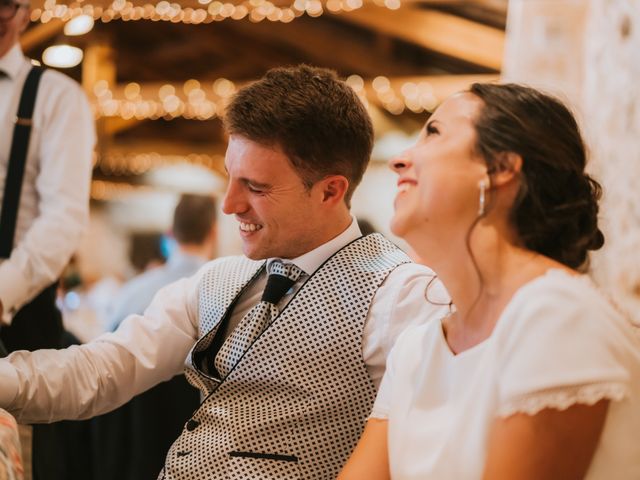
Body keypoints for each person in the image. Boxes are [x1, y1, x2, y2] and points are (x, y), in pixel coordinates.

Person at [0, 65, 447, 479]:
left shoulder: (398, 294)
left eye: (255, 187)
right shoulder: (216, 280)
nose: (230, 205)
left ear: (331, 190)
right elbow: (102, 370)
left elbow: (430, 448)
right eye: (230, 177)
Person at [338, 83, 640, 479]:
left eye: (433, 132)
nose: (399, 161)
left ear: (499, 169)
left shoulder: (557, 315)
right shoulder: (417, 348)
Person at [92, 193, 216, 480]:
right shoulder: (229, 298)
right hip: (200, 456)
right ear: (213, 232)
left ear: (169, 234)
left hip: (133, 449)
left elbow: (105, 361)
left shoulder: (130, 293)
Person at [0, 0, 95, 351]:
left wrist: (2, 292)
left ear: (25, 13)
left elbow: (64, 217)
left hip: (17, 321)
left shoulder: (56, 96)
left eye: (5, 5)